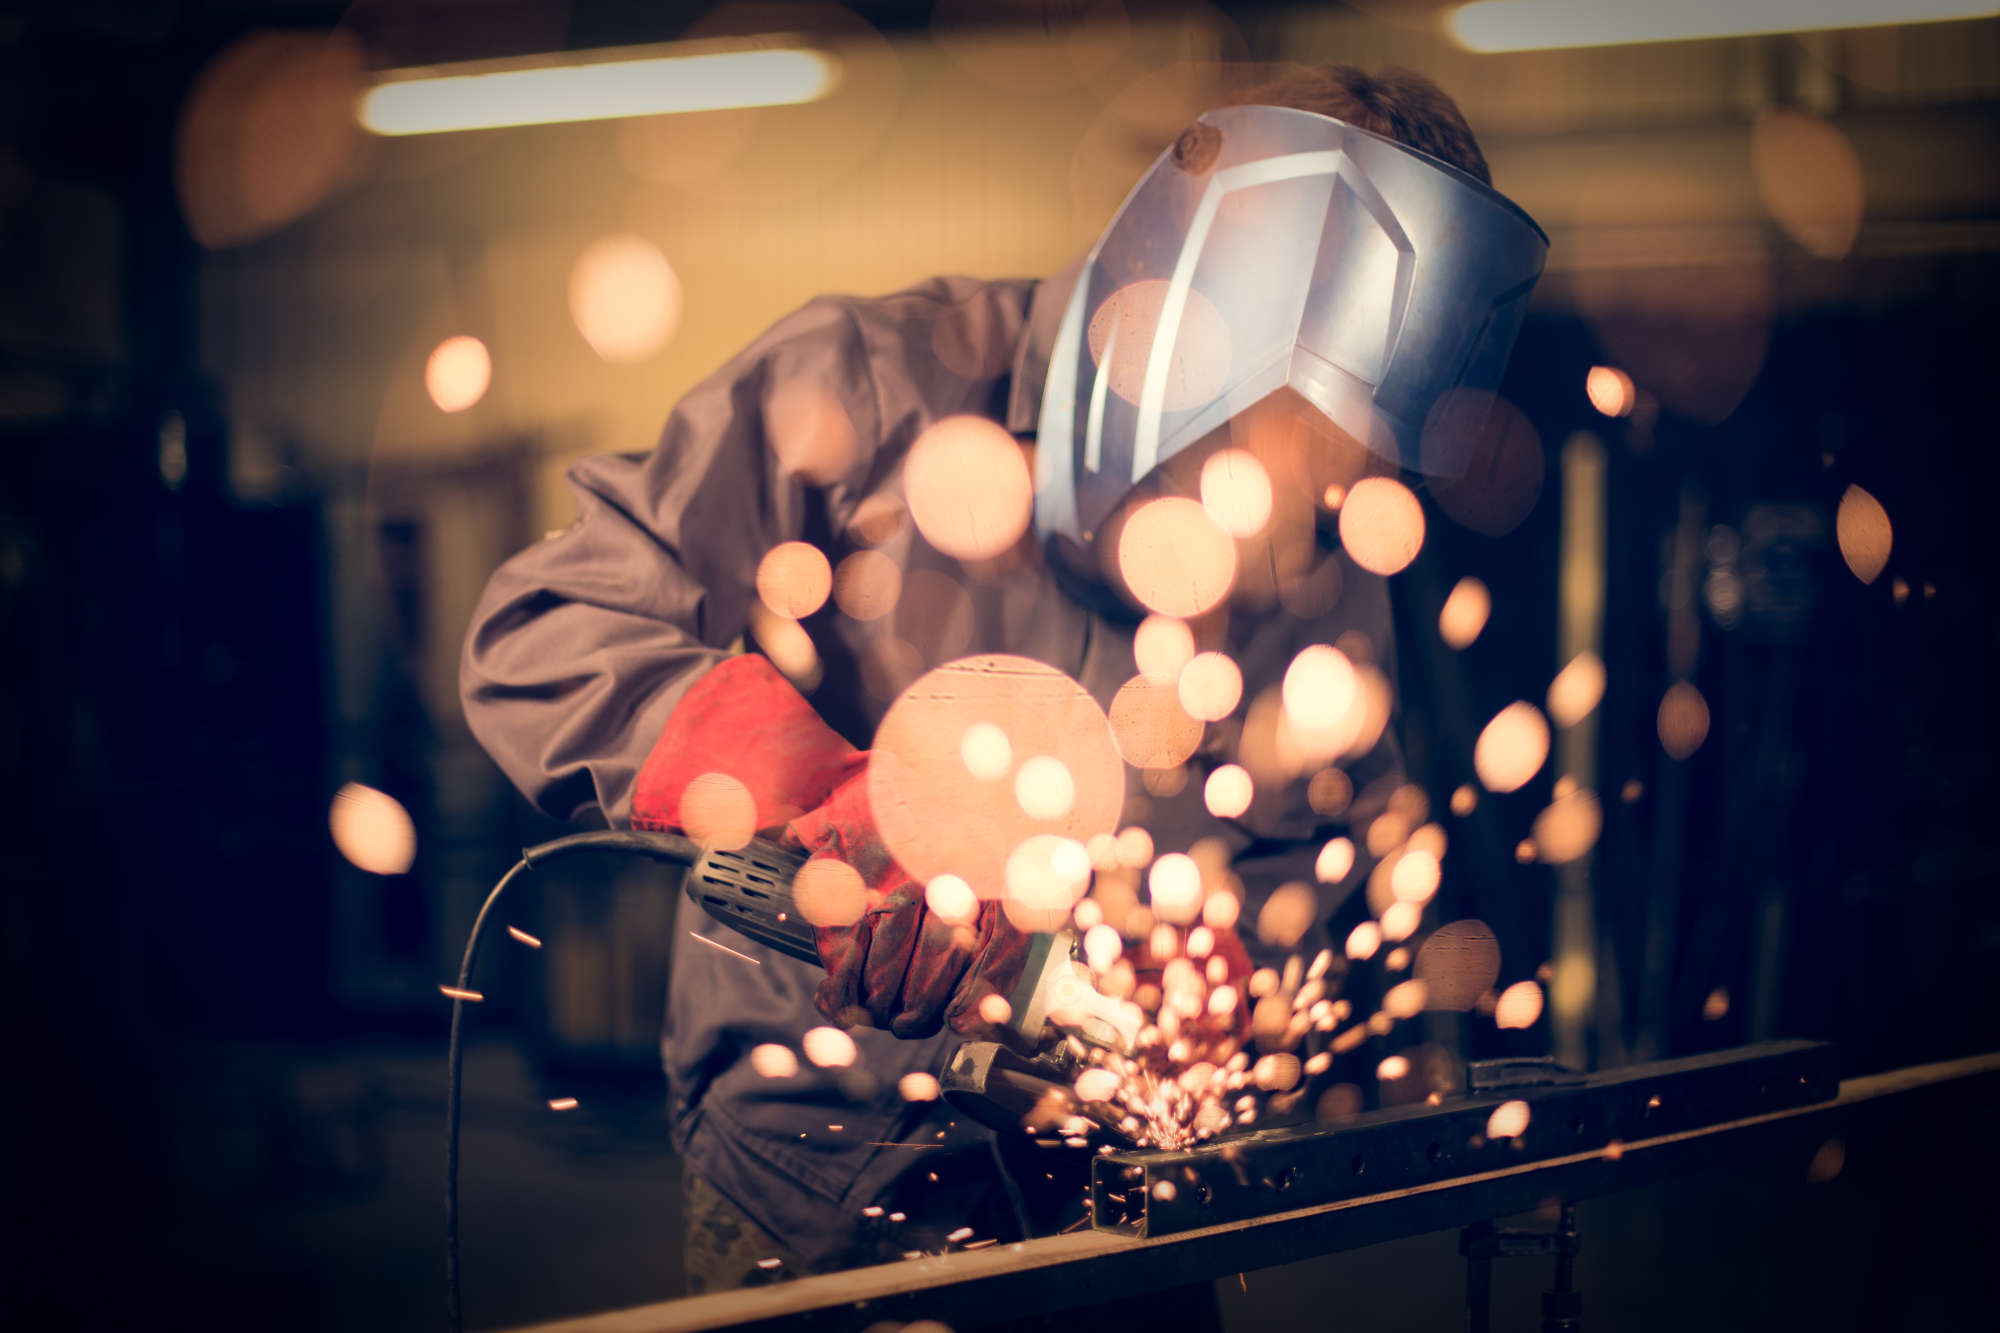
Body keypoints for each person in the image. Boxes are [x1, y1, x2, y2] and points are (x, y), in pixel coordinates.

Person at [460, 63, 1545, 1297]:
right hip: (816, 1182)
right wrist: (833, 800)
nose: (1277, 511)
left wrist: (1221, 985)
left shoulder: (1318, 536)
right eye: (1273, 435)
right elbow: (548, 626)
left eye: (1336, 461)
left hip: (1121, 1207)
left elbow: (1329, 849)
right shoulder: (867, 386)